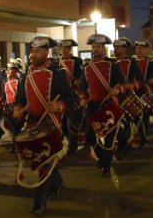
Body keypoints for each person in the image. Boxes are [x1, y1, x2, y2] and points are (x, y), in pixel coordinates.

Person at [13, 36, 73, 216]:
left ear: (46, 52)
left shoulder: (58, 73)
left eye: (37, 51)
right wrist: (17, 108)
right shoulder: (27, 74)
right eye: (32, 50)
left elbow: (70, 98)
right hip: (33, 123)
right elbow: (20, 98)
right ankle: (59, 184)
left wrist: (58, 105)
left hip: (51, 123)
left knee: (43, 162)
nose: (33, 54)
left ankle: (39, 203)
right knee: (42, 160)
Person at [78, 34, 125, 177]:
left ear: (104, 48)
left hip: (109, 104)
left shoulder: (113, 64)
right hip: (92, 105)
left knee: (109, 137)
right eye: (93, 46)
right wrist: (82, 98)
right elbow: (83, 87)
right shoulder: (86, 67)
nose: (95, 49)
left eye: (98, 46)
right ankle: (102, 156)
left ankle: (106, 165)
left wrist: (117, 90)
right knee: (90, 136)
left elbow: (122, 83)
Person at [113, 37, 144, 153]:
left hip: (127, 96)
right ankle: (123, 145)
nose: (116, 49)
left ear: (124, 49)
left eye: (119, 47)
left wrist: (134, 85)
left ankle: (124, 147)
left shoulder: (132, 62)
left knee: (126, 122)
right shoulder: (111, 62)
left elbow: (140, 80)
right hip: (115, 97)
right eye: (115, 47)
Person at [58, 39, 83, 155]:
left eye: (65, 48)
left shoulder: (77, 61)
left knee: (71, 122)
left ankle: (73, 147)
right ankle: (71, 143)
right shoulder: (57, 62)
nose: (63, 50)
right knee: (63, 125)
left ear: (69, 49)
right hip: (62, 96)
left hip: (73, 95)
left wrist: (79, 81)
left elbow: (82, 77)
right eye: (61, 48)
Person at [133, 40, 153, 143]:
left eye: (142, 48)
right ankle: (138, 131)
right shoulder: (132, 60)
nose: (139, 50)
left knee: (145, 113)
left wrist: (151, 81)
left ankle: (144, 135)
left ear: (146, 50)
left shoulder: (151, 62)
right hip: (133, 90)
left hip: (145, 90)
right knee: (133, 113)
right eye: (137, 48)